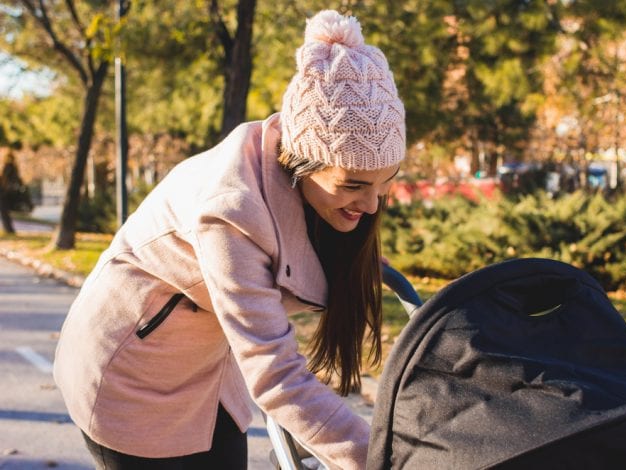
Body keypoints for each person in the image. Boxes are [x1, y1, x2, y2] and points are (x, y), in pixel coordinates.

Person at [53, 9, 405, 470]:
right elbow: (277, 376)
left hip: (209, 371)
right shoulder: (230, 211)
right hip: (130, 371)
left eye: (385, 183)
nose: (373, 205)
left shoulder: (311, 189)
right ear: (300, 164)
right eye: (354, 185)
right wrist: (386, 461)